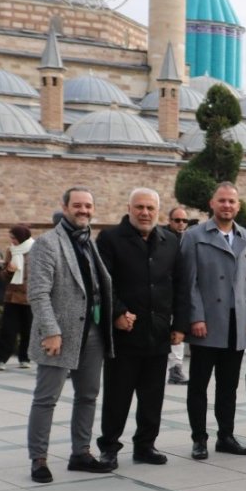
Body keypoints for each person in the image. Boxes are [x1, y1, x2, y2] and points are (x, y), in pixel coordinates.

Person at [25, 187, 115, 482]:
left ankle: (81, 453)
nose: (83, 210)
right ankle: (39, 459)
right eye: (77, 205)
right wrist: (51, 331)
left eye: (88, 205)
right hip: (59, 334)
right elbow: (38, 293)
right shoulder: (47, 243)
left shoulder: (89, 241)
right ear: (65, 207)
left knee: (87, 396)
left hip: (92, 332)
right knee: (46, 399)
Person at [95, 188, 188, 467]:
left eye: (150, 208)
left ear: (157, 211)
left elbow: (180, 285)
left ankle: (145, 445)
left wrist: (179, 324)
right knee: (117, 396)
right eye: (139, 207)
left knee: (152, 397)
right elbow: (103, 282)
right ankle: (109, 446)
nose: (145, 213)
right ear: (129, 208)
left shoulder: (170, 241)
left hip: (158, 333)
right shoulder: (110, 239)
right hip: (124, 334)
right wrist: (117, 313)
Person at [181, 182, 246, 459]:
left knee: (228, 386)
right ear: (212, 204)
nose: (227, 205)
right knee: (199, 385)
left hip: (237, 323)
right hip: (207, 323)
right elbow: (188, 282)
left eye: (231, 201)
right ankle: (199, 439)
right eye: (222, 200)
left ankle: (226, 436)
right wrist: (195, 316)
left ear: (238, 206)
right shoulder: (194, 236)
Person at [0, 225, 34, 371]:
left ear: (22, 237)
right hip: (12, 297)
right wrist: (9, 271)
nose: (12, 241)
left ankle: (25, 358)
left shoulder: (36, 249)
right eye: (11, 238)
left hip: (30, 297)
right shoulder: (11, 250)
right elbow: (3, 275)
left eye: (14, 238)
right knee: (8, 329)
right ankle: (0, 359)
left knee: (28, 330)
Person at [166, 207, 190, 384]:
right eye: (177, 220)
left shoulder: (189, 239)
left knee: (179, 329)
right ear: (170, 221)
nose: (181, 223)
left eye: (184, 220)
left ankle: (176, 368)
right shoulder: (164, 239)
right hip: (167, 293)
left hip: (183, 292)